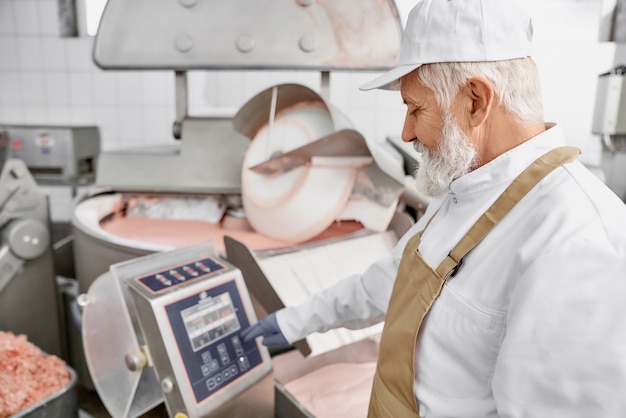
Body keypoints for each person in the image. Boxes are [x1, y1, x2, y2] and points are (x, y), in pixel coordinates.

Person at [240, 0, 626, 416]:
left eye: (415, 108)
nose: (406, 133)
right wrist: (290, 322)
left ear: (476, 100)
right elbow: (390, 280)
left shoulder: (578, 243)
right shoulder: (468, 191)